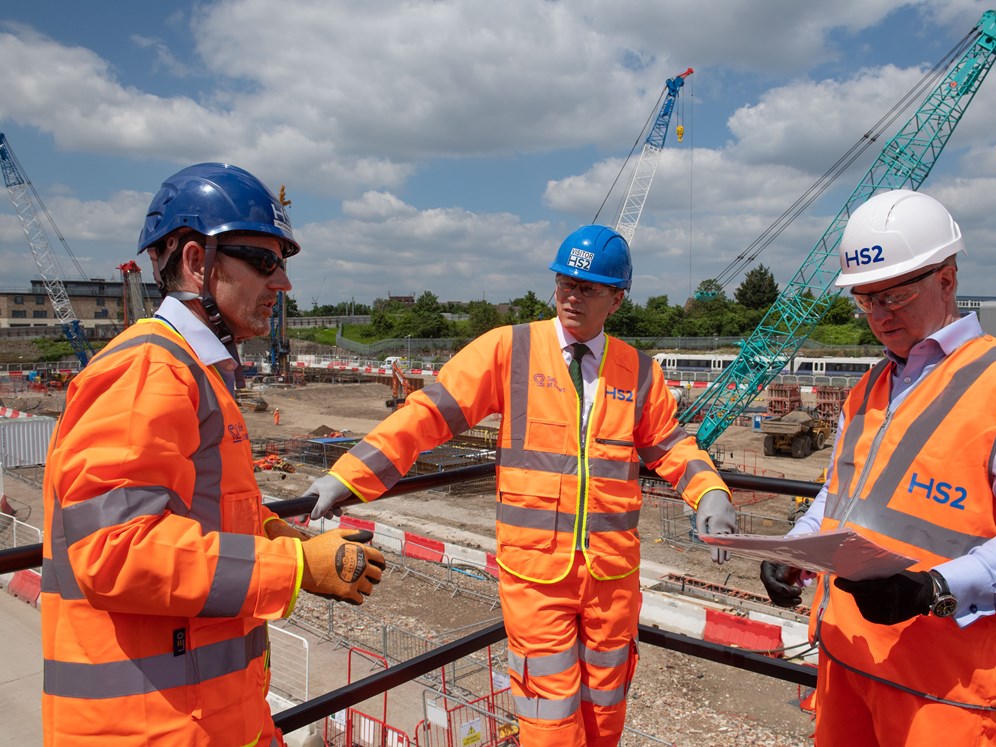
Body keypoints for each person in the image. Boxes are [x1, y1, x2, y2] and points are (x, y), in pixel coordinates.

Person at [304, 224, 738, 747]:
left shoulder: (639, 371)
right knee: (549, 722)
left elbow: (669, 445)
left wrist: (709, 491)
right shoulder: (508, 350)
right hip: (536, 575)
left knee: (606, 711)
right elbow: (426, 415)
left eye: (589, 287)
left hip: (612, 576)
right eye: (564, 283)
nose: (573, 296)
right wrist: (348, 473)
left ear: (617, 299)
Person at [40, 163, 386, 746]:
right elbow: (113, 552)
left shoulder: (195, 373)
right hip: (146, 727)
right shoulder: (145, 371)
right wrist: (295, 569)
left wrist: (278, 536)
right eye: (265, 262)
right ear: (198, 263)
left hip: (207, 716)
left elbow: (191, 515)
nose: (283, 285)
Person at [759, 189, 996, 746]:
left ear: (947, 280)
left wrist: (933, 588)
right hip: (847, 657)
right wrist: (796, 549)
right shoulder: (870, 387)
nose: (879, 316)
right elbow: (840, 497)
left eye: (895, 297)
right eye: (865, 300)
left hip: (941, 687)